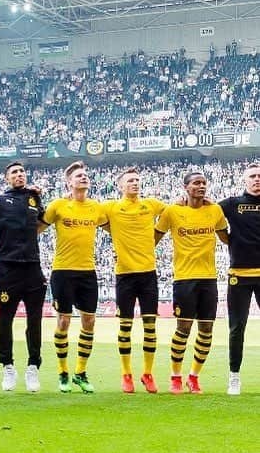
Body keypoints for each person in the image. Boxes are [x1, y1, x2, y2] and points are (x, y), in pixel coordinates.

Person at [154, 170, 228, 394]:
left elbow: (226, 238)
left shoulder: (214, 210)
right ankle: (176, 376)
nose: (202, 186)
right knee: (183, 328)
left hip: (209, 279)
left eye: (204, 183)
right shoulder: (172, 211)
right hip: (184, 279)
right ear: (185, 187)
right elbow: (153, 239)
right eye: (196, 183)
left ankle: (193, 377)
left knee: (206, 330)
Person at [99, 167, 167, 394]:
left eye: (137, 180)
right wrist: (115, 234)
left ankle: (147, 374)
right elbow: (92, 217)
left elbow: (172, 214)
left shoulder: (152, 205)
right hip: (125, 275)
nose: (135, 183)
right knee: (125, 326)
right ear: (120, 186)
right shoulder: (111, 207)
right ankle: (126, 374)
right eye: (130, 181)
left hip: (148, 274)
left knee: (150, 326)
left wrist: (155, 236)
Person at [0, 162, 46, 393]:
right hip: (7, 268)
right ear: (6, 178)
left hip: (33, 267)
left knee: (35, 320)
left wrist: (37, 194)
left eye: (22, 172)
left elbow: (41, 222)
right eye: (14, 173)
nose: (19, 175)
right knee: (5, 320)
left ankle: (33, 367)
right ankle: (7, 366)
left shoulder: (33, 198)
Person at [41, 161, 105, 393]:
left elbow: (116, 225)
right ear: (69, 182)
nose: (83, 178)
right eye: (78, 175)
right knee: (64, 322)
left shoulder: (96, 208)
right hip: (63, 271)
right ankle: (63, 372)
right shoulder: (58, 206)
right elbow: (37, 227)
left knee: (89, 322)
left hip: (87, 271)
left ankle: (80, 372)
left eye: (85, 175)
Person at [218, 162, 260, 395]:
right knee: (237, 328)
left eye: (259, 176)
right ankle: (234, 377)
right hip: (239, 276)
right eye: (252, 176)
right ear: (245, 180)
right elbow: (208, 213)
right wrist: (225, 236)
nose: (257, 179)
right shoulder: (233, 204)